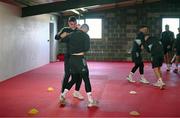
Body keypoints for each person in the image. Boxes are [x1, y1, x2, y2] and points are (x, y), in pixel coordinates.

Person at [59, 24, 98, 107]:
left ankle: (63, 95)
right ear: (86, 30)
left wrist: (64, 34)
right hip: (80, 59)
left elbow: (62, 39)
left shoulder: (72, 34)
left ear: (80, 28)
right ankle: (91, 101)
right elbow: (87, 48)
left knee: (74, 79)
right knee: (86, 78)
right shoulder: (86, 36)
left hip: (71, 60)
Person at [55, 16, 84, 100]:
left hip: (78, 55)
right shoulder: (65, 29)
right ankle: (62, 94)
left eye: (75, 24)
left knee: (80, 75)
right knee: (67, 74)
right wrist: (64, 35)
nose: (73, 25)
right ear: (68, 23)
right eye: (71, 24)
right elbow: (56, 37)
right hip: (69, 56)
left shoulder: (79, 30)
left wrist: (80, 30)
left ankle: (76, 92)